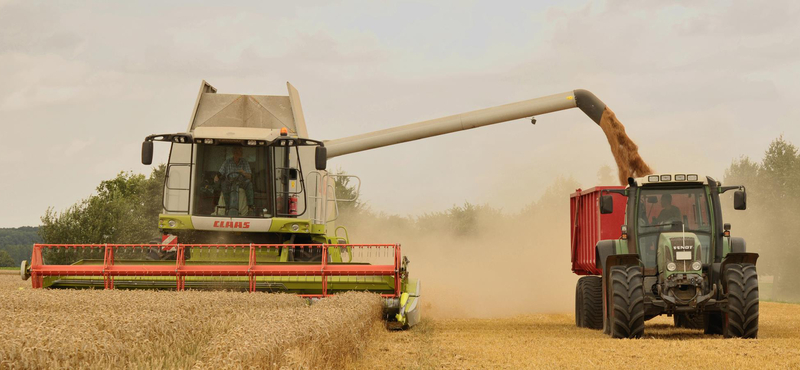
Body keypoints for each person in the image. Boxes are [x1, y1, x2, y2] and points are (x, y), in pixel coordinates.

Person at [214, 147, 254, 216]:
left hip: (241, 182)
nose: (238, 154)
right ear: (233, 153)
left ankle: (250, 206)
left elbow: (249, 176)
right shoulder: (227, 162)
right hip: (229, 181)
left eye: (239, 153)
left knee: (249, 184)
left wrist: (243, 172)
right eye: (236, 153)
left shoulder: (244, 162)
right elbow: (221, 171)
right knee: (223, 185)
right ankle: (227, 207)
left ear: (241, 154)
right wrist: (217, 176)